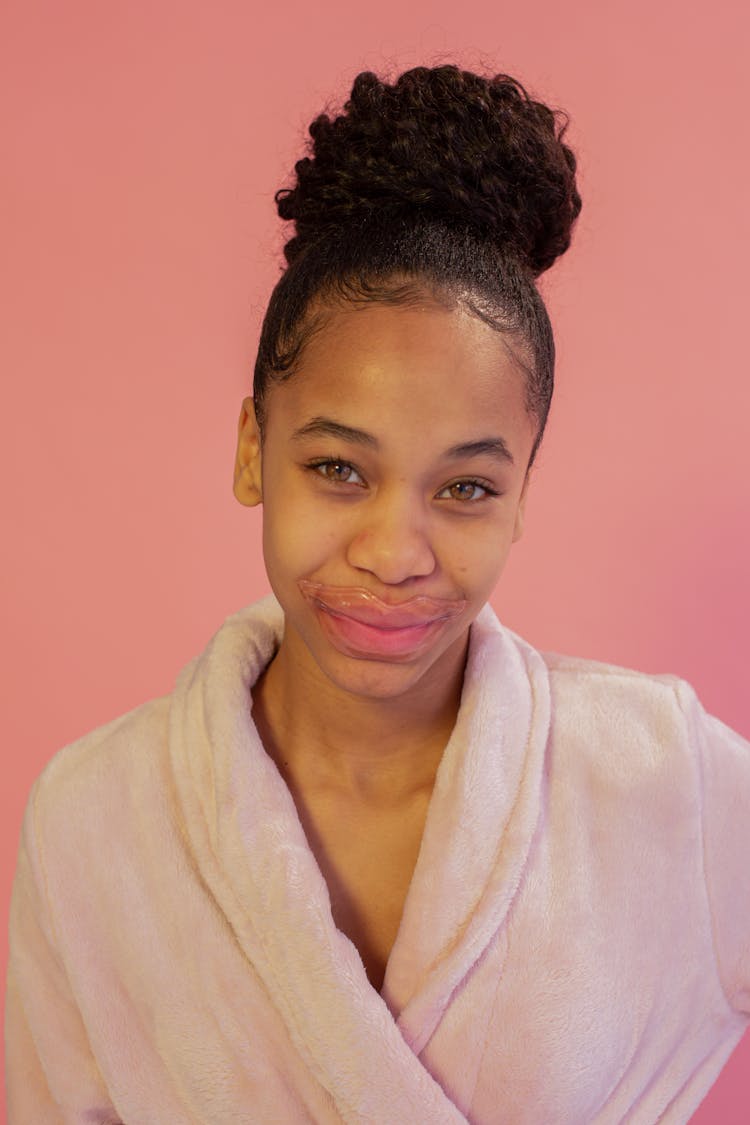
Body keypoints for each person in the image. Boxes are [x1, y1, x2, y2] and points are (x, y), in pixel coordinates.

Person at [4, 64, 749, 1124]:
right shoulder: (93, 822)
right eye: (340, 470)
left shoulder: (661, 781)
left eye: (465, 488)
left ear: (522, 495)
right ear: (255, 451)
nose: (397, 551)